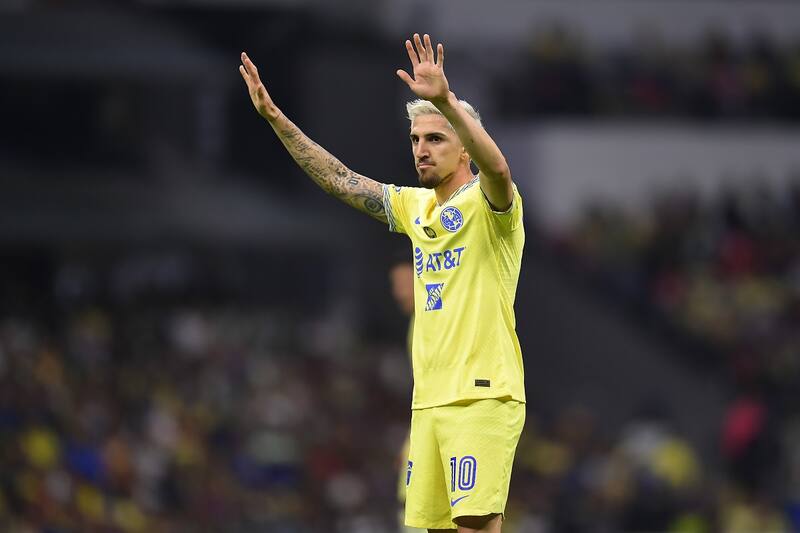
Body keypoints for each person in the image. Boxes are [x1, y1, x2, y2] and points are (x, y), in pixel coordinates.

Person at [240, 33, 526, 533]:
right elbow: (340, 180)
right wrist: (274, 120)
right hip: (429, 403)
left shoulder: (492, 208)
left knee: (476, 528)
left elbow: (498, 167)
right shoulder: (414, 208)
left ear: (464, 149)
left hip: (481, 396)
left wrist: (446, 102)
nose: (421, 149)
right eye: (416, 139)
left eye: (435, 138)